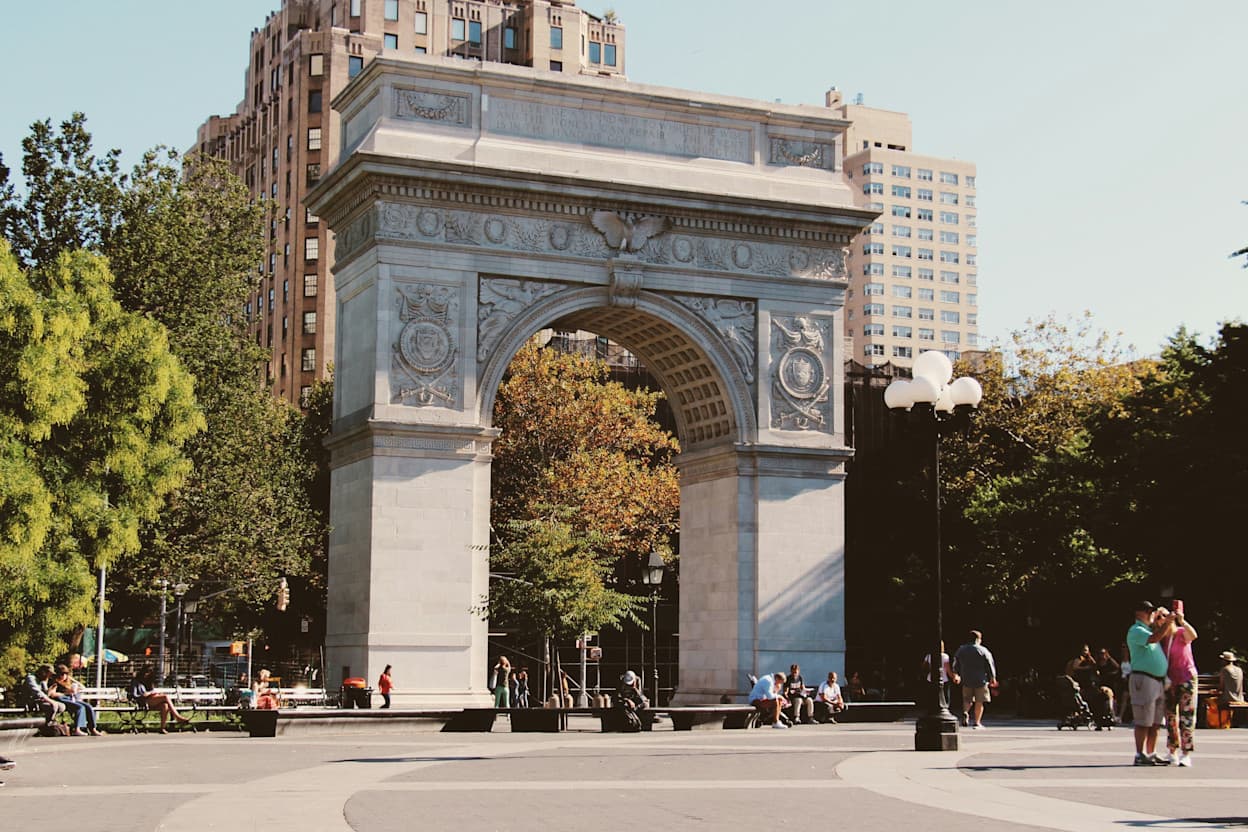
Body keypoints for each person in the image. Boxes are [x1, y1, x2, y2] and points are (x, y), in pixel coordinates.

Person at [1126, 600, 1171, 766]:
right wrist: (1168, 622)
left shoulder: (1146, 629)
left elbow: (1157, 633)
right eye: (1150, 611)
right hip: (1143, 679)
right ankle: (1139, 754)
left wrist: (1162, 622)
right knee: (1143, 720)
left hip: (1156, 680)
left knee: (1155, 721)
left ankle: (1151, 752)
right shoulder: (1136, 630)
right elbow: (1154, 638)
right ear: (1141, 613)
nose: (1153, 614)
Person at [1161, 605, 1198, 766]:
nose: (1163, 619)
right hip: (1170, 680)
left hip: (1186, 678)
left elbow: (1193, 635)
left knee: (1186, 716)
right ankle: (1172, 750)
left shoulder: (1181, 633)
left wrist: (1182, 621)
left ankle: (1186, 753)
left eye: (1165, 615)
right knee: (1170, 717)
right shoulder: (1162, 639)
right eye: (1159, 617)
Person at [953, 630, 997, 729]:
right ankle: (977, 722)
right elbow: (990, 664)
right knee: (979, 701)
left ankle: (965, 712)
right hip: (980, 679)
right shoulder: (983, 650)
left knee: (967, 699)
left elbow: (956, 662)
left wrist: (956, 674)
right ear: (978, 639)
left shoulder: (961, 649)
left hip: (966, 678)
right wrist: (992, 677)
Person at [128, 666, 192, 733]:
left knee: (165, 705)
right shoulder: (136, 681)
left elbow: (151, 691)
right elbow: (134, 695)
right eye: (146, 672)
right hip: (143, 701)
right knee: (165, 697)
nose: (147, 674)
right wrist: (144, 695)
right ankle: (177, 717)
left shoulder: (149, 681)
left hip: (151, 699)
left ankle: (162, 728)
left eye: (149, 673)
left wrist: (154, 694)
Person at [49, 664, 102, 736]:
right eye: (62, 674)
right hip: (60, 699)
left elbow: (82, 687)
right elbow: (52, 694)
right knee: (80, 707)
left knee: (88, 706)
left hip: (70, 699)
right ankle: (77, 729)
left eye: (66, 674)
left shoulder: (67, 682)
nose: (64, 676)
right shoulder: (54, 682)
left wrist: (71, 679)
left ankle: (92, 729)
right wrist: (65, 693)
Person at [922, 642, 958, 711]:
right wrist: (953, 677)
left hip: (930, 678)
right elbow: (947, 669)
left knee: (932, 695)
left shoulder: (928, 656)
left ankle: (932, 708)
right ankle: (944, 708)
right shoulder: (945, 656)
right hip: (944, 678)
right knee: (945, 697)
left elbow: (924, 666)